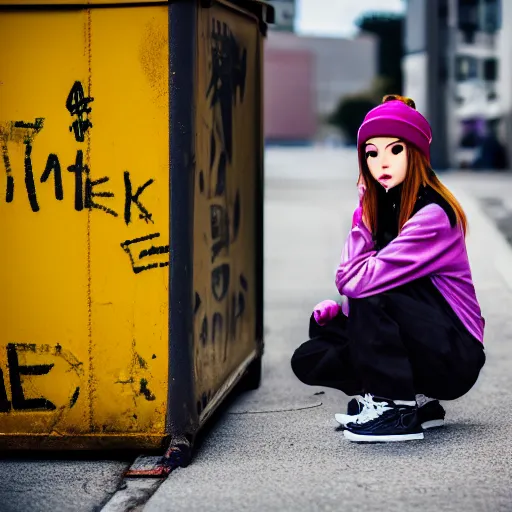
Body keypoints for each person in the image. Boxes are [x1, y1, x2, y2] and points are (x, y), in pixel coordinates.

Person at [290, 95, 486, 443]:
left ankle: (394, 407)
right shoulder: (388, 207)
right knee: (313, 353)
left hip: (456, 354)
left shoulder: (432, 214)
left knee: (367, 288)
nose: (382, 162)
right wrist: (342, 313)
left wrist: (361, 219)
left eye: (395, 150)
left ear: (417, 155)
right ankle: (418, 402)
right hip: (431, 342)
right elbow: (367, 284)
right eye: (372, 152)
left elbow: (358, 280)